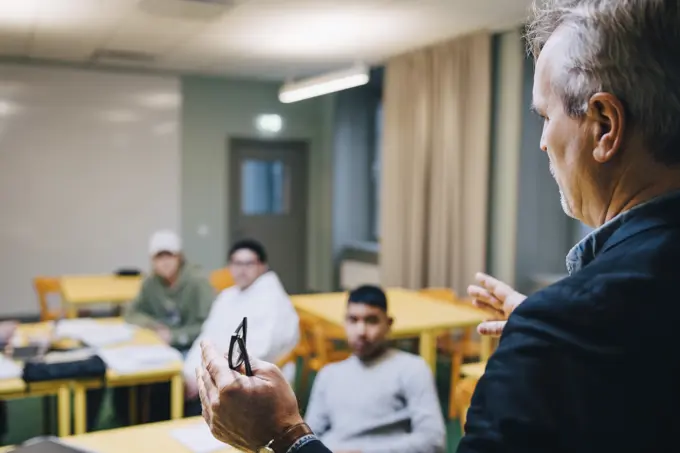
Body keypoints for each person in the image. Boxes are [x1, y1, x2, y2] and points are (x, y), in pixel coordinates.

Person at [457, 1, 680, 451]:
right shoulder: (576, 327)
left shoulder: (561, 331)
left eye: (545, 116)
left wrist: (293, 435)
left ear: (604, 126)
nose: (542, 143)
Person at [305, 285, 446, 453]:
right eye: (353, 320)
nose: (361, 331)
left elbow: (433, 441)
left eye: (371, 320)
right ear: (344, 322)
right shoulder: (328, 375)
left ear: (388, 324)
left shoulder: (412, 369)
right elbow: (308, 438)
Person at [111, 229, 215, 424]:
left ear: (180, 257)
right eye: (159, 257)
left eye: (170, 256)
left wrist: (174, 336)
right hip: (160, 346)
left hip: (191, 347)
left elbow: (210, 326)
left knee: (168, 383)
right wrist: (154, 326)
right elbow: (131, 313)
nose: (165, 262)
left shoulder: (197, 282)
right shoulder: (151, 282)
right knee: (123, 371)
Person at [182, 239, 299, 412]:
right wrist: (192, 373)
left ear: (262, 266)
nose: (242, 270)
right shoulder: (228, 296)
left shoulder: (272, 300)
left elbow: (261, 353)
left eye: (249, 263)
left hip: (251, 381)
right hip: (218, 371)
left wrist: (211, 376)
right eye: (237, 263)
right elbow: (207, 335)